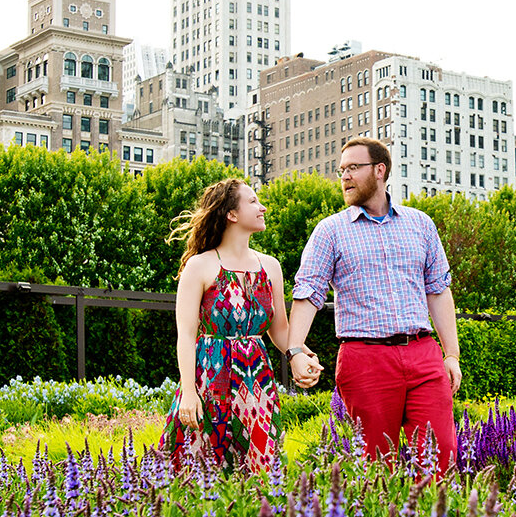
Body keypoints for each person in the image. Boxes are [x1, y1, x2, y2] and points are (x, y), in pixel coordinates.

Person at [285, 136, 462, 471]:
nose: (345, 177)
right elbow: (308, 292)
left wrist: (450, 354)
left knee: (440, 458)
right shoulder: (330, 232)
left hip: (424, 355)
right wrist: (295, 350)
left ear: (380, 170)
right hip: (365, 360)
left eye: (354, 167)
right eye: (341, 171)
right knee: (378, 467)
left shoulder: (420, 224)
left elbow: (438, 289)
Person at [159, 177, 317, 472]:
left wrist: (299, 354)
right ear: (231, 214)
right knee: (198, 470)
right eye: (254, 201)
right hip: (209, 379)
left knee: (260, 470)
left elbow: (279, 330)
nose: (263, 208)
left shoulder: (270, 266)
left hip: (256, 384)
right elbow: (185, 335)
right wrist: (189, 392)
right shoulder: (200, 265)